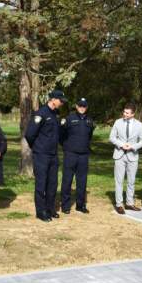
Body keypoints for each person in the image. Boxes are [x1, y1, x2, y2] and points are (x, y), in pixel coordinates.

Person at [25, 90, 67, 222]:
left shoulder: (56, 114)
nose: (62, 103)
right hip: (41, 155)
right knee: (41, 184)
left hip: (53, 154)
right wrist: (37, 147)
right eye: (60, 101)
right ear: (53, 99)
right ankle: (41, 211)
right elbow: (29, 134)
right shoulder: (41, 113)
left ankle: (50, 209)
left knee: (52, 184)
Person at [109, 103, 142, 214]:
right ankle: (119, 204)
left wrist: (133, 146)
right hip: (119, 155)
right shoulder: (117, 122)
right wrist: (121, 145)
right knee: (119, 181)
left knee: (131, 181)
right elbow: (111, 137)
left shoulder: (139, 125)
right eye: (124, 112)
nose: (124, 114)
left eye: (127, 113)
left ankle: (129, 203)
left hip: (132, 156)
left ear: (133, 114)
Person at [60, 97, 94, 214]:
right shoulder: (69, 119)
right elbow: (61, 135)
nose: (82, 108)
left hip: (83, 155)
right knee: (67, 180)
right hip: (70, 154)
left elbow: (89, 136)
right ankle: (65, 206)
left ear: (86, 107)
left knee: (82, 181)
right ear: (76, 106)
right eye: (80, 106)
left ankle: (80, 205)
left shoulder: (89, 120)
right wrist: (67, 147)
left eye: (84, 106)